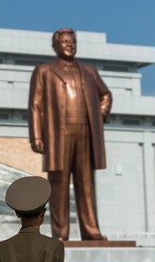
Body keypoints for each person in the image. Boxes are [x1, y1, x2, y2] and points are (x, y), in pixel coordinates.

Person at [28, 28, 112, 241]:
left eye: (72, 41)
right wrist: (36, 136)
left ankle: (91, 229)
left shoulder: (89, 71)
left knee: (86, 184)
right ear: (55, 46)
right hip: (58, 135)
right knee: (59, 185)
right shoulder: (44, 71)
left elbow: (106, 95)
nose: (69, 45)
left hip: (85, 132)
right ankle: (60, 232)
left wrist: (99, 115)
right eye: (64, 42)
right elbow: (35, 106)